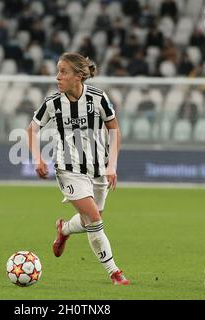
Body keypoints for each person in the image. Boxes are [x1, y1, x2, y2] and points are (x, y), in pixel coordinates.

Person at [26, 52, 129, 285]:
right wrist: (37, 158)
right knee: (93, 219)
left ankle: (64, 229)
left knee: (89, 221)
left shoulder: (98, 98)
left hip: (99, 169)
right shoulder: (52, 102)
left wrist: (112, 165)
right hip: (68, 169)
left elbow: (114, 129)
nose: (57, 77)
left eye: (63, 72)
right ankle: (115, 273)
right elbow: (31, 129)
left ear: (78, 76)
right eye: (57, 71)